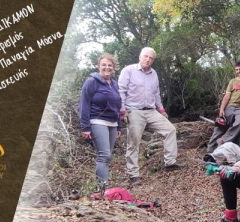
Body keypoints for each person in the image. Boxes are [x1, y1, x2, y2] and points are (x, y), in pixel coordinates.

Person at [118, 47, 185, 186]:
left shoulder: (154, 73)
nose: (148, 59)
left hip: (151, 110)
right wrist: (122, 111)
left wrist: (161, 110)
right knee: (134, 142)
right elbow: (121, 91)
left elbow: (156, 94)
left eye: (151, 58)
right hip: (134, 110)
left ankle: (170, 162)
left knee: (170, 130)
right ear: (140, 57)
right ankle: (133, 175)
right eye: (146, 56)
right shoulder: (129, 70)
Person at [79, 53, 122, 191]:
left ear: (114, 67)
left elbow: (117, 105)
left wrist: (119, 125)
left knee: (107, 157)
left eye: (110, 65)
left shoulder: (114, 84)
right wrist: (85, 127)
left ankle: (102, 187)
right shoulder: (91, 82)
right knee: (104, 155)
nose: (107, 67)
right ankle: (103, 188)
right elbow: (84, 104)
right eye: (104, 65)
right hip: (97, 121)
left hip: (112, 124)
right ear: (99, 66)